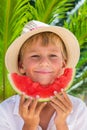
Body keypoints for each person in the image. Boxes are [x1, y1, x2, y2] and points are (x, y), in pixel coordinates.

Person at [0, 20, 87, 130]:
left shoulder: (78, 108)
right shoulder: (5, 111)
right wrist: (29, 126)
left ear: (63, 65)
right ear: (21, 66)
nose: (45, 62)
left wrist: (61, 124)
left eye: (53, 55)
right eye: (35, 56)